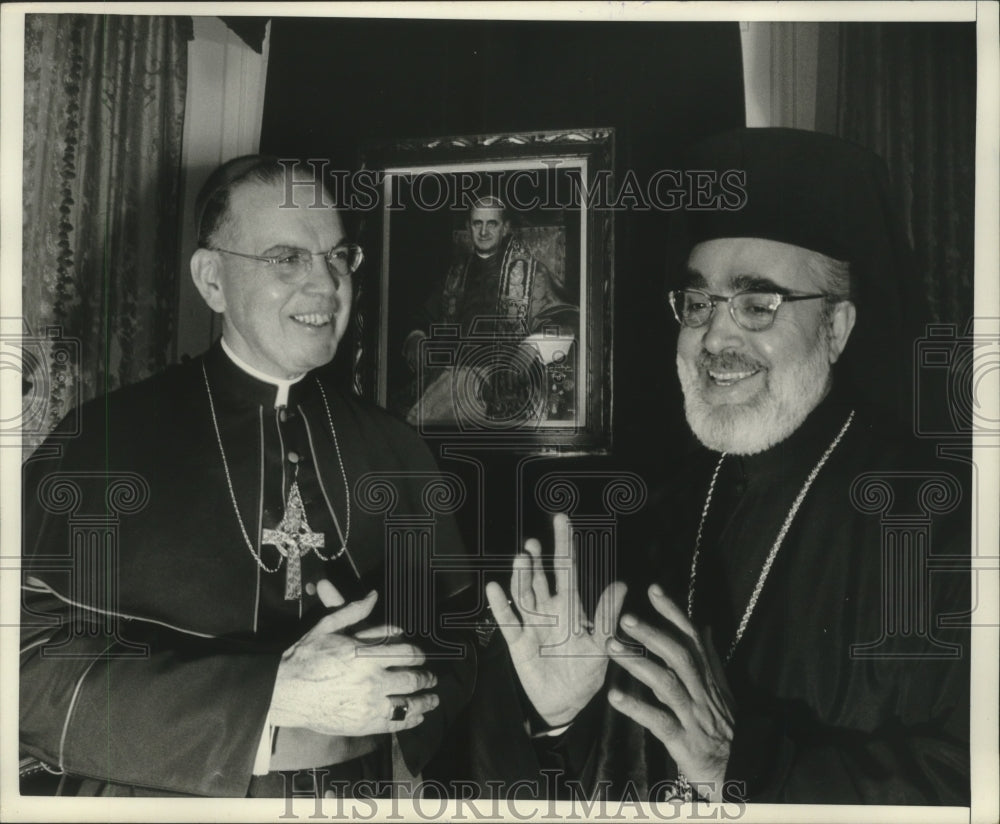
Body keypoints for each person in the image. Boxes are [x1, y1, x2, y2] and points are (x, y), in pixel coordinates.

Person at [480, 128, 970, 804]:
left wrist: (747, 770)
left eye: (757, 303)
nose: (715, 336)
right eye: (699, 302)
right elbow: (631, 769)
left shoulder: (946, 524)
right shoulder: (663, 512)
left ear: (836, 328)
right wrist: (566, 714)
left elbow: (974, 782)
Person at [19, 155, 475, 797]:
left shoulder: (395, 448)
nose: (326, 285)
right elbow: (23, 672)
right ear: (211, 280)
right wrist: (268, 696)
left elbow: (460, 651)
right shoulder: (105, 439)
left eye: (339, 257)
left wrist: (409, 686)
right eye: (287, 257)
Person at [401, 196, 578, 427]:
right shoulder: (455, 275)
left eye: (491, 224)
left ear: (505, 228)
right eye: (477, 223)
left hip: (509, 380)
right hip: (451, 374)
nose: (483, 231)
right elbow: (424, 318)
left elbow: (567, 319)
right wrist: (416, 337)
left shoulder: (532, 274)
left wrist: (531, 347)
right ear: (468, 227)